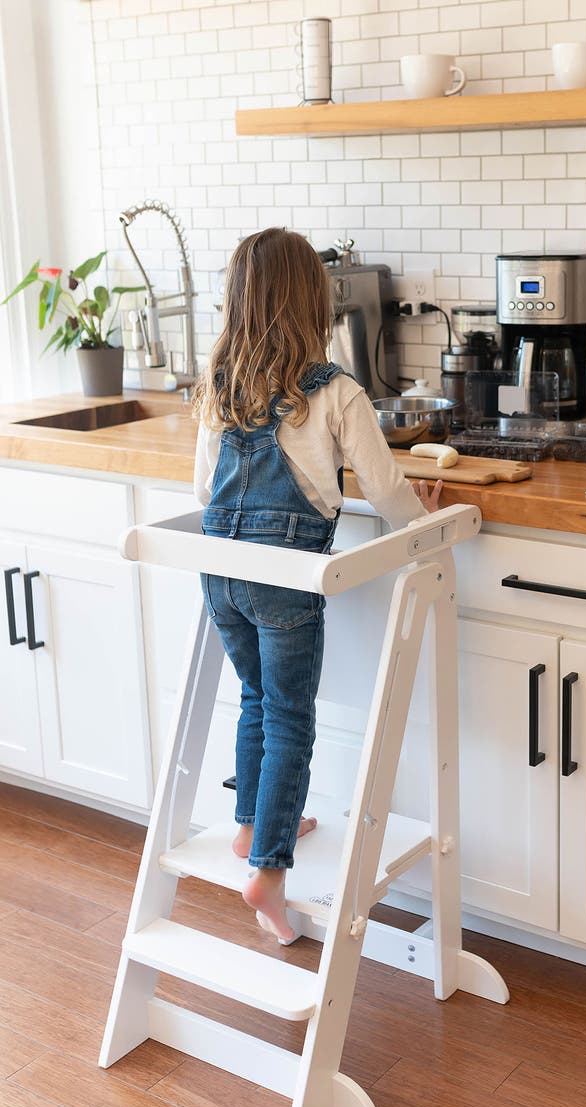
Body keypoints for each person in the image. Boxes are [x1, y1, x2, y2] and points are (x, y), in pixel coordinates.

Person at [192, 227, 442, 944]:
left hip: (222, 576)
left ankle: (252, 826)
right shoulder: (335, 393)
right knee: (291, 717)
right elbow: (390, 497)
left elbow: (206, 487)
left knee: (255, 700)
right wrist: (431, 520)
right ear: (313, 304)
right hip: (287, 579)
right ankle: (269, 872)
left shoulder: (217, 388)